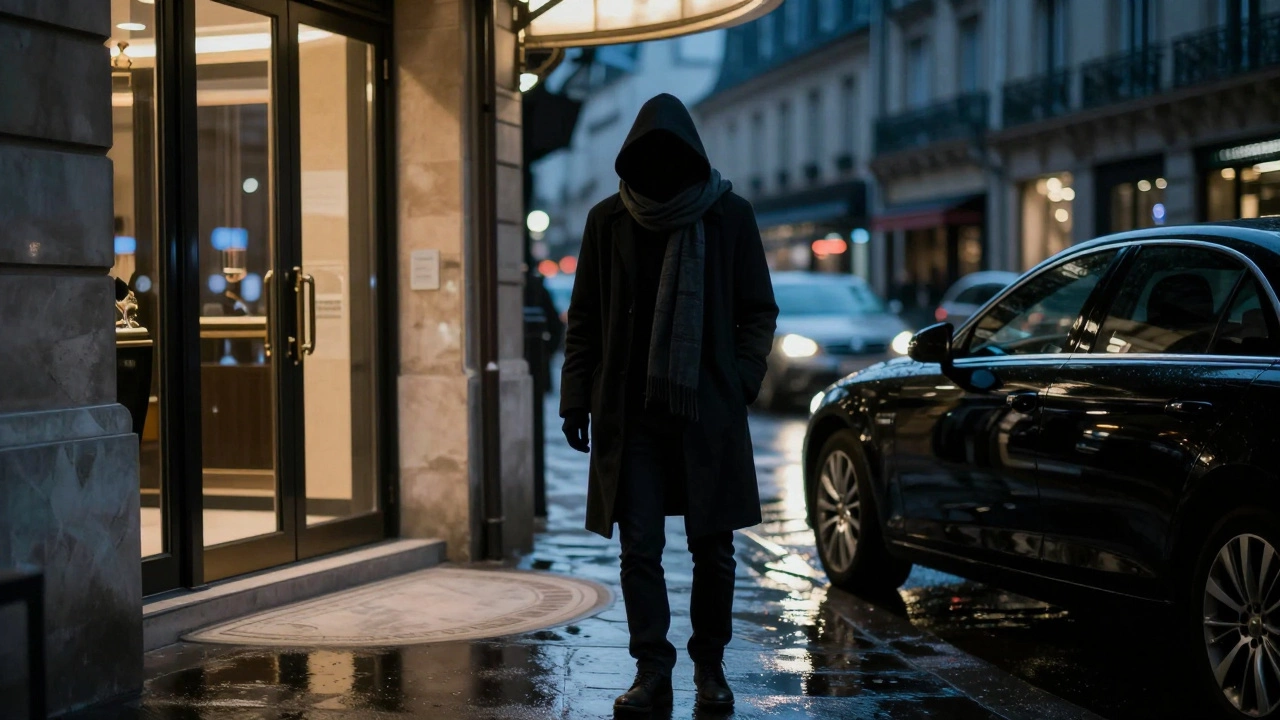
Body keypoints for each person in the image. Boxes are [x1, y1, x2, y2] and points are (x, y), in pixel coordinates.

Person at [559, 93, 778, 713]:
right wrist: (576, 399)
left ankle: (711, 667)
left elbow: (756, 311)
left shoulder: (728, 215)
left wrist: (737, 380)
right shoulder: (608, 220)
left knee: (713, 549)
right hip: (631, 416)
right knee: (640, 549)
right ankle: (651, 670)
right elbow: (585, 321)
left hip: (706, 412)